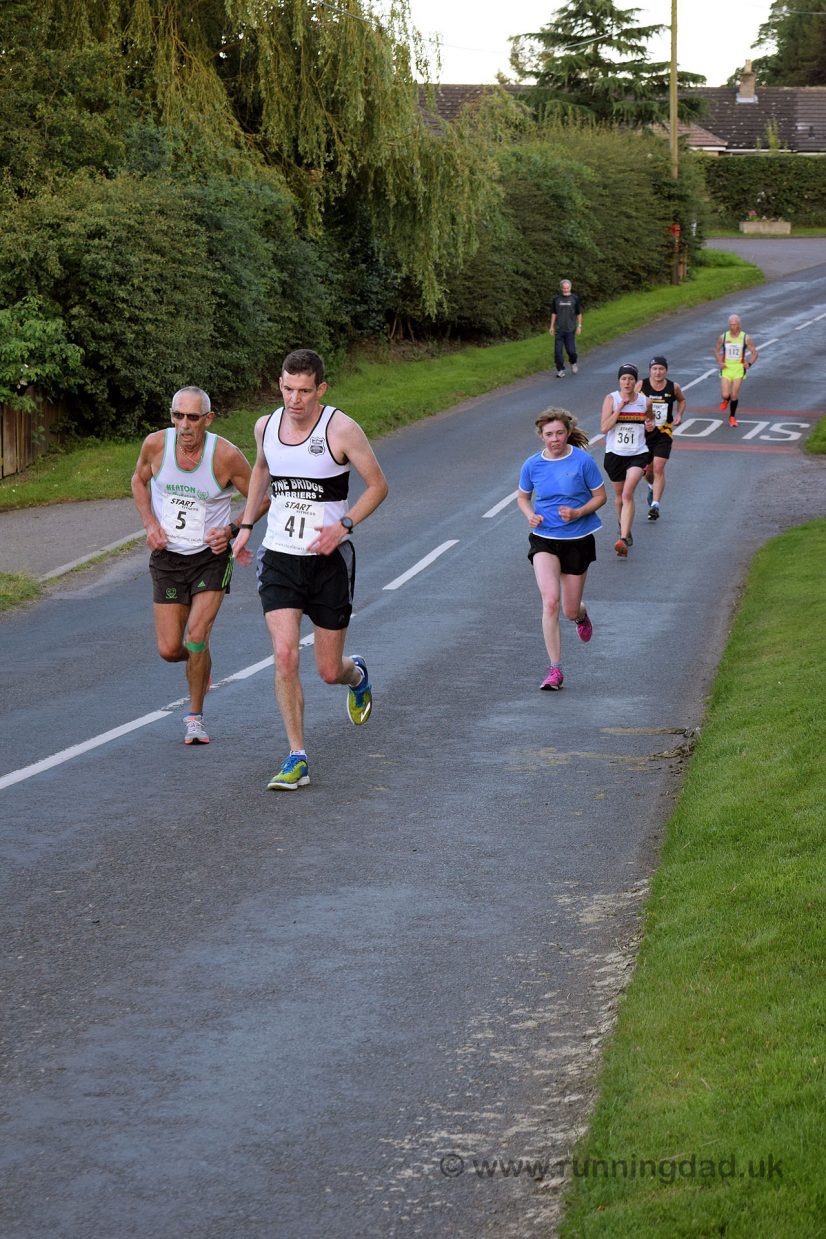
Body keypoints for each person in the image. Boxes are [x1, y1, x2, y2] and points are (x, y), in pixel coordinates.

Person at [231, 349, 388, 791]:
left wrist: (344, 526)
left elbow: (379, 485)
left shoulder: (341, 428)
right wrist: (246, 526)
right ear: (279, 384)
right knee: (284, 655)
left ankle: (355, 674)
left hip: (328, 560)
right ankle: (297, 755)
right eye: (287, 388)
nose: (294, 399)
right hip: (279, 556)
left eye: (303, 390)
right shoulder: (266, 426)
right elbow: (262, 469)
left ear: (320, 389)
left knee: (327, 670)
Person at [131, 386, 268, 745]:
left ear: (208, 419)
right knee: (169, 649)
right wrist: (149, 523)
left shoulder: (225, 455)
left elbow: (261, 498)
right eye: (178, 416)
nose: (185, 425)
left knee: (195, 637)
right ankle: (200, 663)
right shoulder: (156, 445)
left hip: (210, 559)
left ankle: (194, 719)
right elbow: (138, 480)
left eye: (193, 417)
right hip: (168, 559)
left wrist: (234, 529)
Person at [517, 408, 607, 691]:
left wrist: (579, 512)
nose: (554, 439)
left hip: (578, 539)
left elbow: (600, 497)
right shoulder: (532, 464)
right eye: (548, 434)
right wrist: (529, 514)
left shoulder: (583, 461)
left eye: (558, 433)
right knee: (550, 602)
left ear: (567, 432)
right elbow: (522, 496)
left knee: (568, 610)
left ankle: (580, 615)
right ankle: (555, 670)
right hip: (544, 538)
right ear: (541, 436)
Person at [601, 363, 655, 557]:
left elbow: (651, 420)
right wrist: (620, 408)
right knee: (618, 496)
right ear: (619, 381)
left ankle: (623, 538)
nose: (627, 382)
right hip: (615, 454)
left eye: (630, 379)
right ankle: (623, 525)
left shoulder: (644, 401)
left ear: (635, 381)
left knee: (627, 494)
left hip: (637, 453)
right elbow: (604, 428)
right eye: (624, 379)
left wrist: (650, 425)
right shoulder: (611, 399)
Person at [637, 355, 686, 522]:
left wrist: (679, 415)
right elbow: (632, 404)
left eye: (661, 369)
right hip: (644, 434)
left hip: (664, 433)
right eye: (655, 369)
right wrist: (643, 421)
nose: (658, 372)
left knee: (658, 467)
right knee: (648, 470)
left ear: (666, 370)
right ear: (650, 370)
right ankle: (651, 486)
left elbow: (682, 400)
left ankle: (655, 505)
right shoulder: (641, 386)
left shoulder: (673, 387)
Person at [714, 313, 758, 427]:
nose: (732, 327)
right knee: (725, 394)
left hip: (739, 368)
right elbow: (716, 350)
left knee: (734, 394)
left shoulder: (745, 337)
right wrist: (720, 362)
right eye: (730, 324)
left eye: (734, 325)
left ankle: (732, 417)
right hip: (727, 368)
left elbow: (755, 352)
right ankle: (725, 400)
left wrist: (749, 363)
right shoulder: (723, 336)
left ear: (739, 325)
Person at [549, 279, 583, 379]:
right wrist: (551, 326)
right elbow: (554, 313)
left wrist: (579, 326)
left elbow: (579, 313)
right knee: (558, 352)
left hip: (570, 329)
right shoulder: (556, 299)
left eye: (567, 288)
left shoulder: (574, 298)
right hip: (559, 330)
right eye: (564, 288)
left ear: (570, 288)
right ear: (561, 288)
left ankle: (573, 362)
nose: (565, 290)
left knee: (571, 351)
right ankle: (560, 370)